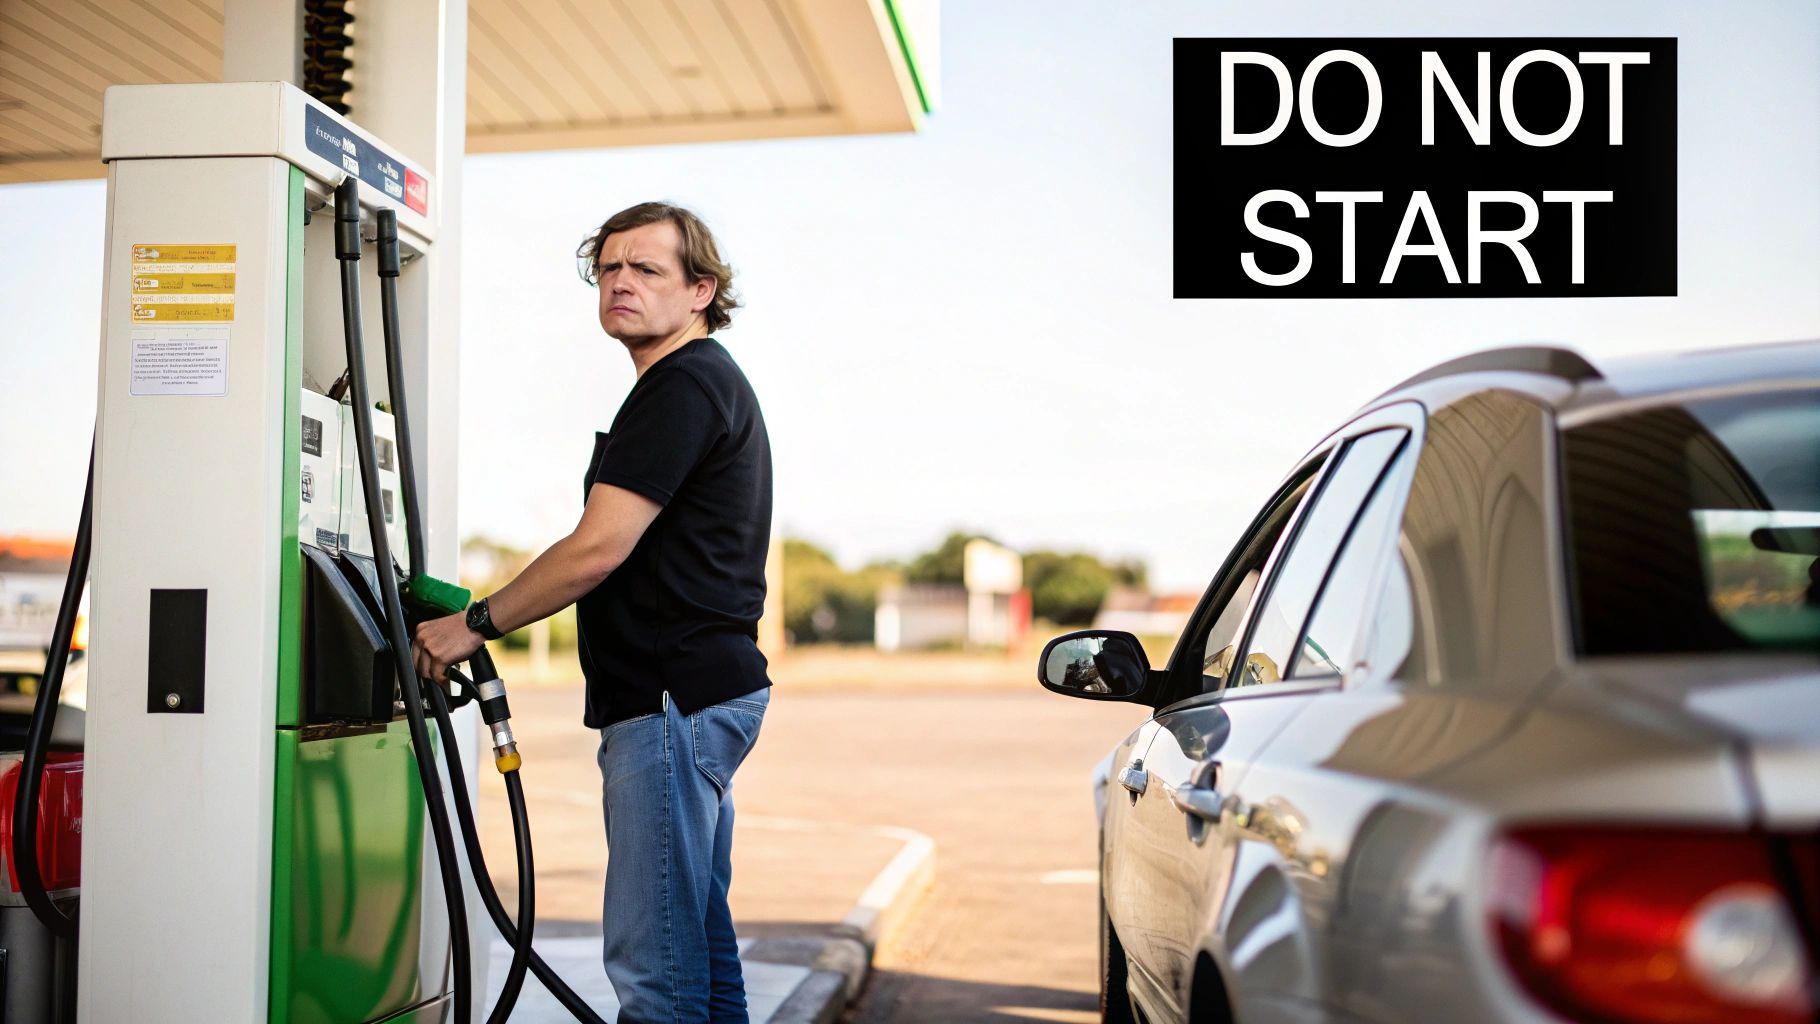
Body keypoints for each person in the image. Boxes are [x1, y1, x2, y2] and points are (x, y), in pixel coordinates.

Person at [412, 201, 773, 1024]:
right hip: (700, 694)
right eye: (608, 268)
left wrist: (474, 622)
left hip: (669, 698)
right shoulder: (694, 384)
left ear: (700, 290)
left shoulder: (682, 385)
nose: (621, 282)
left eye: (647, 269)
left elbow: (596, 549)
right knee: (701, 954)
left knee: (657, 975)